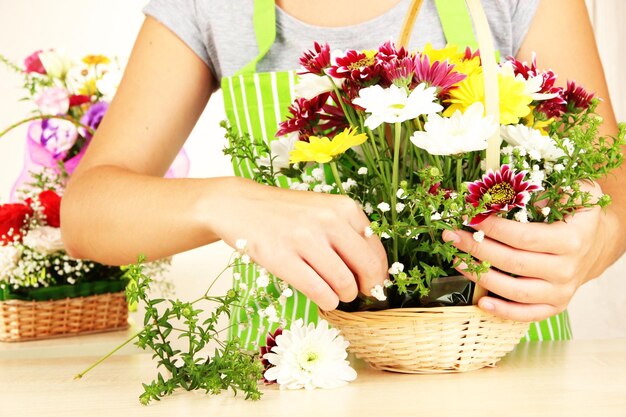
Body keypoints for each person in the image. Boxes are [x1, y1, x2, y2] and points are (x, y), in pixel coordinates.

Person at [61, 0, 624, 344]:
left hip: (507, 383)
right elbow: (86, 212)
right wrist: (226, 202)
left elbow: (615, 192)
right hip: (297, 378)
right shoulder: (212, 5)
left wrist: (595, 238)